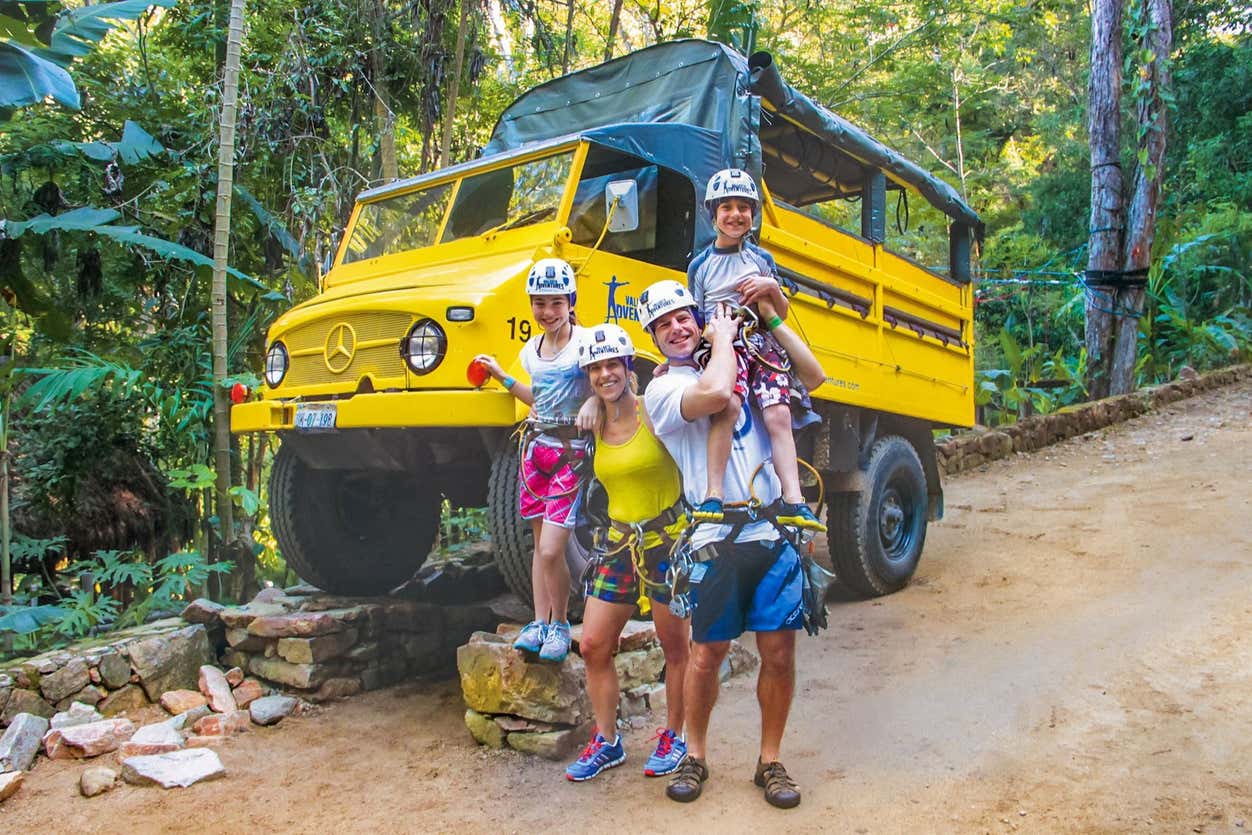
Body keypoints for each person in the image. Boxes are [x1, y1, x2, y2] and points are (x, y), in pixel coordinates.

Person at [637, 277, 825, 809]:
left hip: (772, 526)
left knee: (780, 652)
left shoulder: (750, 361)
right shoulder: (663, 389)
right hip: (715, 533)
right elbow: (717, 394)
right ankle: (694, 753)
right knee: (706, 653)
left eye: (682, 317)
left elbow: (812, 376)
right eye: (663, 323)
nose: (676, 328)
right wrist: (721, 337)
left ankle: (770, 760)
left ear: (698, 318)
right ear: (654, 337)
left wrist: (769, 317)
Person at [562, 323, 691, 782]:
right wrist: (592, 403)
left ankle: (676, 736)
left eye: (612, 364)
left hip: (665, 541)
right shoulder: (594, 419)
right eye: (595, 368)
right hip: (618, 544)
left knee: (675, 645)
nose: (604, 374)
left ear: (628, 367)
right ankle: (608, 740)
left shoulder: (654, 411)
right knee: (594, 643)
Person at [686, 168, 824, 535]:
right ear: (712, 213)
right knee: (727, 406)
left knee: (779, 414)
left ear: (753, 214)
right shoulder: (700, 265)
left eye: (744, 207)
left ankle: (794, 499)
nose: (735, 214)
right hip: (723, 342)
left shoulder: (762, 260)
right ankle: (713, 493)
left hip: (761, 341)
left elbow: (777, 315)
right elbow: (696, 318)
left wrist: (771, 287)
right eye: (727, 207)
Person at [474, 257, 587, 663]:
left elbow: (613, 383)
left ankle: (560, 624)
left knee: (554, 549)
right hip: (535, 452)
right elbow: (537, 398)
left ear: (571, 301)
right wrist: (502, 377)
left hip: (570, 454)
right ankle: (540, 621)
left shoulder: (585, 344)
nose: (548, 312)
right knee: (540, 548)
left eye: (556, 303)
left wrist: (592, 404)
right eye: (539, 303)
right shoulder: (532, 350)